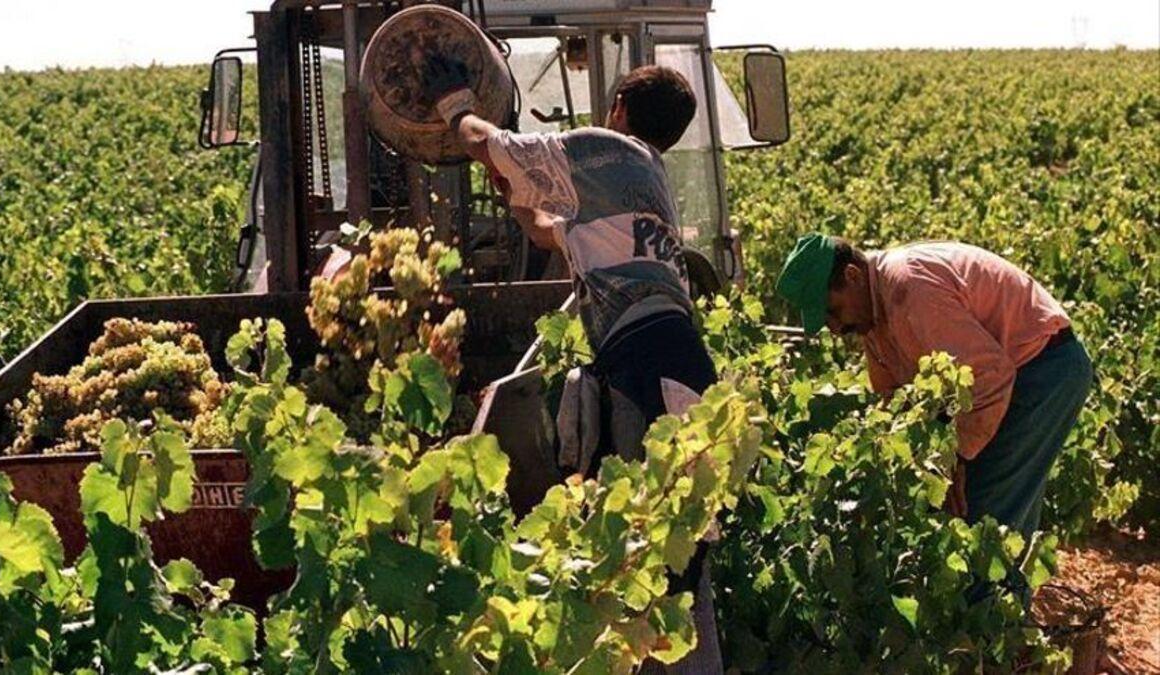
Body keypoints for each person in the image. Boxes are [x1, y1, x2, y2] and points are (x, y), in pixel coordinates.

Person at [426, 58, 722, 673]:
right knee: (679, 546)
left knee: (654, 552)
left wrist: (454, 105)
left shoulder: (609, 149)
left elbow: (488, 142)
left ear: (618, 109)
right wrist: (514, 191)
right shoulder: (638, 186)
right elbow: (543, 233)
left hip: (649, 366)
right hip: (681, 366)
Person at [776, 234, 1093, 593]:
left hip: (1042, 373)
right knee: (1000, 514)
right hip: (1013, 379)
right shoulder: (873, 314)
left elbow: (990, 377)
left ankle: (984, 638)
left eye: (832, 312)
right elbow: (893, 398)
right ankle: (1004, 627)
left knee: (980, 520)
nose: (835, 329)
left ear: (852, 276)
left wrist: (955, 456)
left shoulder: (909, 289)